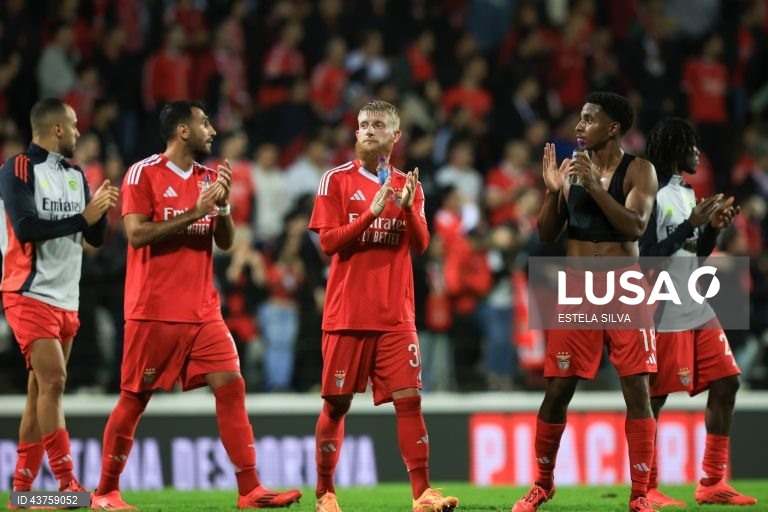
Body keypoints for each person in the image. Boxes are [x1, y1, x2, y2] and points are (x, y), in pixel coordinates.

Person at [90, 100, 301, 510]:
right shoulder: (143, 173)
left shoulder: (208, 177)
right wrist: (194, 212)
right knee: (135, 398)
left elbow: (224, 241)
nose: (213, 130)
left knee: (232, 386)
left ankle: (250, 490)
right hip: (154, 309)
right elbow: (135, 235)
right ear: (183, 131)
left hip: (203, 310)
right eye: (206, 123)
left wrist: (220, 207)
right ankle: (105, 492)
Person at [511, 92, 659, 512]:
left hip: (624, 287)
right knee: (558, 388)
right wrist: (553, 193)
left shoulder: (639, 171)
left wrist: (593, 186)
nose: (579, 126)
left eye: (589, 119)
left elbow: (634, 226)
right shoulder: (571, 171)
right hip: (578, 285)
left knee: (636, 388)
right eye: (579, 118)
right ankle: (542, 483)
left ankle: (640, 494)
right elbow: (546, 234)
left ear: (613, 128)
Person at [309, 100, 459, 512]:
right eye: (363, 125)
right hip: (347, 315)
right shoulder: (335, 180)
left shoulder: (408, 184)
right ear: (355, 134)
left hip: (396, 316)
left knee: (410, 400)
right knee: (336, 405)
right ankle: (325, 492)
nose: (368, 130)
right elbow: (327, 243)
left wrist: (408, 207)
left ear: (396, 136)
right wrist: (370, 214)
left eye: (378, 125)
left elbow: (422, 244)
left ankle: (423, 494)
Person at [0, 97, 119, 502]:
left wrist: (99, 214)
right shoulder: (17, 169)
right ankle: (67, 485)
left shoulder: (75, 174)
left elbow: (93, 238)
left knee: (39, 395)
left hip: (68, 298)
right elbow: (25, 227)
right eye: (72, 125)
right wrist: (82, 218)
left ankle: (22, 492)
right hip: (28, 292)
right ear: (55, 130)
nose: (78, 131)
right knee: (55, 382)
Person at [640, 117, 756, 507]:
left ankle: (711, 482)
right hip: (662, 305)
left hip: (694, 301)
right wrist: (688, 225)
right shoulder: (648, 193)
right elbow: (643, 259)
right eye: (692, 147)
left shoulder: (687, 192)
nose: (698, 154)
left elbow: (694, 253)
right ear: (676, 148)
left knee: (728, 383)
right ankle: (646, 488)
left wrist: (712, 230)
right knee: (654, 398)